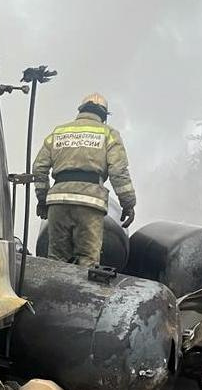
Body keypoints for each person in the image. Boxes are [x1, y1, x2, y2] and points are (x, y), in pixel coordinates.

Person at [31, 93, 136, 266]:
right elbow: (118, 171)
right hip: (90, 203)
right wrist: (128, 203)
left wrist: (42, 199)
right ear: (103, 116)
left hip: (58, 202)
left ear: (81, 110)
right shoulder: (109, 134)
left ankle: (55, 292)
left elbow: (39, 168)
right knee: (87, 262)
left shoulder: (59, 132)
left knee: (56, 261)